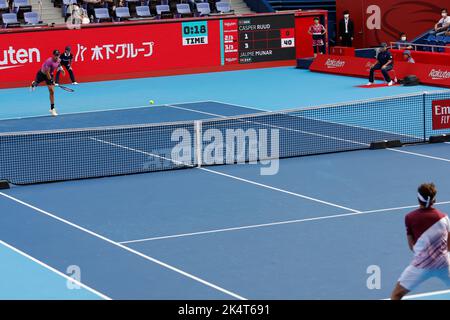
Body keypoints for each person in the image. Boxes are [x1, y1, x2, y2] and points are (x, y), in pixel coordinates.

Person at [391, 183, 450, 300]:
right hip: (444, 264)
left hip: (421, 265)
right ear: (435, 200)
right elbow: (449, 245)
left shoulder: (410, 217)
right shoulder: (445, 217)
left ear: (418, 199)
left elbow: (411, 246)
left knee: (396, 295)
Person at [30, 50, 65, 117]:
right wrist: (51, 80)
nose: (57, 57)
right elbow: (47, 72)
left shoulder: (59, 60)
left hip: (50, 75)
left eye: (58, 55)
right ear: (53, 55)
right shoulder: (49, 61)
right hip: (42, 74)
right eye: (55, 55)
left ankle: (52, 108)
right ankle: (33, 83)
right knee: (36, 84)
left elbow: (59, 65)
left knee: (51, 91)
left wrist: (61, 69)